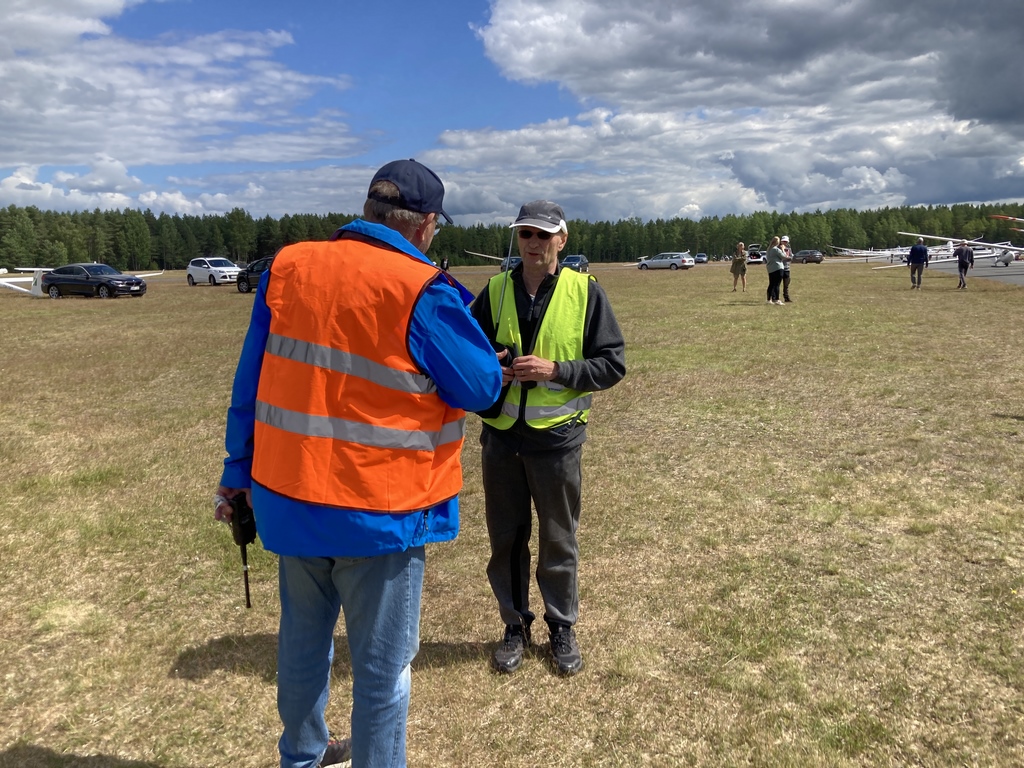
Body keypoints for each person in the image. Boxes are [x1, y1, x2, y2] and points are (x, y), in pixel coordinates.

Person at [213, 159, 503, 768]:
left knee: (301, 647)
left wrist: (237, 472)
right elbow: (481, 387)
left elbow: (250, 379)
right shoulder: (421, 288)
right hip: (380, 514)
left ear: (369, 210)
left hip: (289, 499)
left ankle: (302, 756)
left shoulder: (289, 266)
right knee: (382, 671)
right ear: (425, 224)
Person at [470, 200, 626, 676]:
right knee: (507, 539)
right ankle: (515, 625)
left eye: (543, 234)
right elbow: (466, 353)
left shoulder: (586, 292)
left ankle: (561, 625)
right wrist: (491, 367)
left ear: (562, 239)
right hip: (502, 440)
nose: (533, 243)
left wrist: (556, 370)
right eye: (525, 234)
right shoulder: (495, 289)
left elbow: (612, 364)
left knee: (559, 539)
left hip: (557, 442)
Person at [764, 236, 788, 305]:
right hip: (778, 267)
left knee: (771, 284)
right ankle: (777, 299)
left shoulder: (768, 250)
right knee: (777, 284)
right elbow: (784, 256)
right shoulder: (776, 249)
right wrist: (783, 249)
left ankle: (768, 299)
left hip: (770, 269)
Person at [780, 235, 793, 302]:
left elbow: (791, 257)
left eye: (786, 241)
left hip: (787, 268)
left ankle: (786, 297)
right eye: (783, 241)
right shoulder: (778, 249)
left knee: (786, 285)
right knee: (777, 284)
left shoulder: (788, 249)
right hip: (779, 268)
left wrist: (786, 257)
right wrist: (785, 257)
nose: (785, 243)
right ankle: (775, 297)